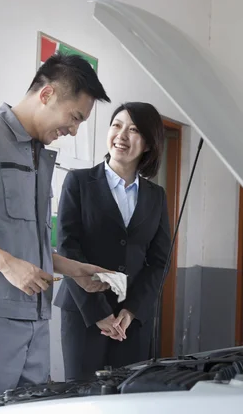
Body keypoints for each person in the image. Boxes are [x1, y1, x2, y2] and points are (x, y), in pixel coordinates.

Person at [0, 53, 113, 414]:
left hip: (33, 324)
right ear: (46, 95)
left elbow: (27, 240)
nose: (74, 130)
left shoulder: (38, 156)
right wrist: (7, 264)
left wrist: (76, 271)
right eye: (74, 117)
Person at [53, 102, 172, 381]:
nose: (121, 135)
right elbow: (68, 246)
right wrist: (98, 313)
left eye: (133, 130)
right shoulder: (78, 182)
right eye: (116, 125)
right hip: (84, 312)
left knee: (127, 395)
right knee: (83, 395)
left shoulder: (156, 196)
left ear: (147, 144)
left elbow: (159, 260)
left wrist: (131, 311)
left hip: (132, 318)